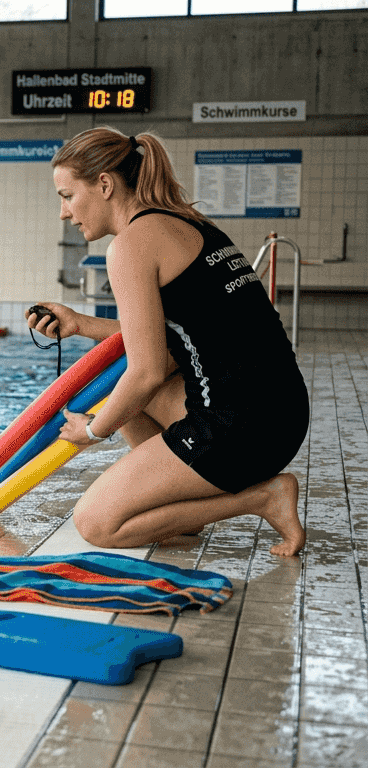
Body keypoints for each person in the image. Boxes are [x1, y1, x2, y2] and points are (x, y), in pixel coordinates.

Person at [29, 128, 308, 557]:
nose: (64, 213)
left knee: (98, 524)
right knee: (116, 376)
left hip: (243, 425)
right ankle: (181, 504)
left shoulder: (130, 245)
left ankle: (261, 498)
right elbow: (169, 340)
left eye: (67, 196)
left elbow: (148, 370)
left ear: (104, 184)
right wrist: (79, 323)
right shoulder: (187, 223)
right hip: (279, 411)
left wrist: (92, 430)